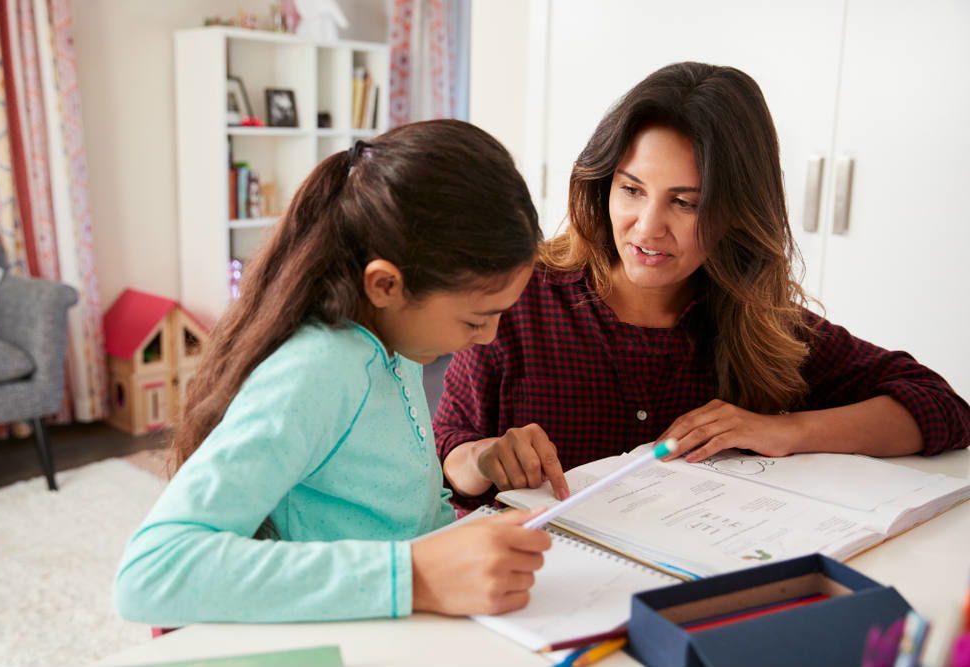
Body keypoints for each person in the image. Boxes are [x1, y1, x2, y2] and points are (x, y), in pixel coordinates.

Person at [434, 62, 970, 512]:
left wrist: (785, 431)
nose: (647, 227)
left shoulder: (760, 324)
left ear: (737, 212)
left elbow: (942, 409)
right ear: (602, 186)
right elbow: (442, 452)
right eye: (632, 189)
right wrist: (483, 459)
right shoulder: (520, 298)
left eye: (685, 202)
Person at [114, 120, 551, 626]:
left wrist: (478, 464)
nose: (490, 337)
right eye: (476, 319)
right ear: (385, 284)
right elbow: (150, 572)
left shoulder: (395, 340)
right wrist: (413, 575)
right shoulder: (319, 368)